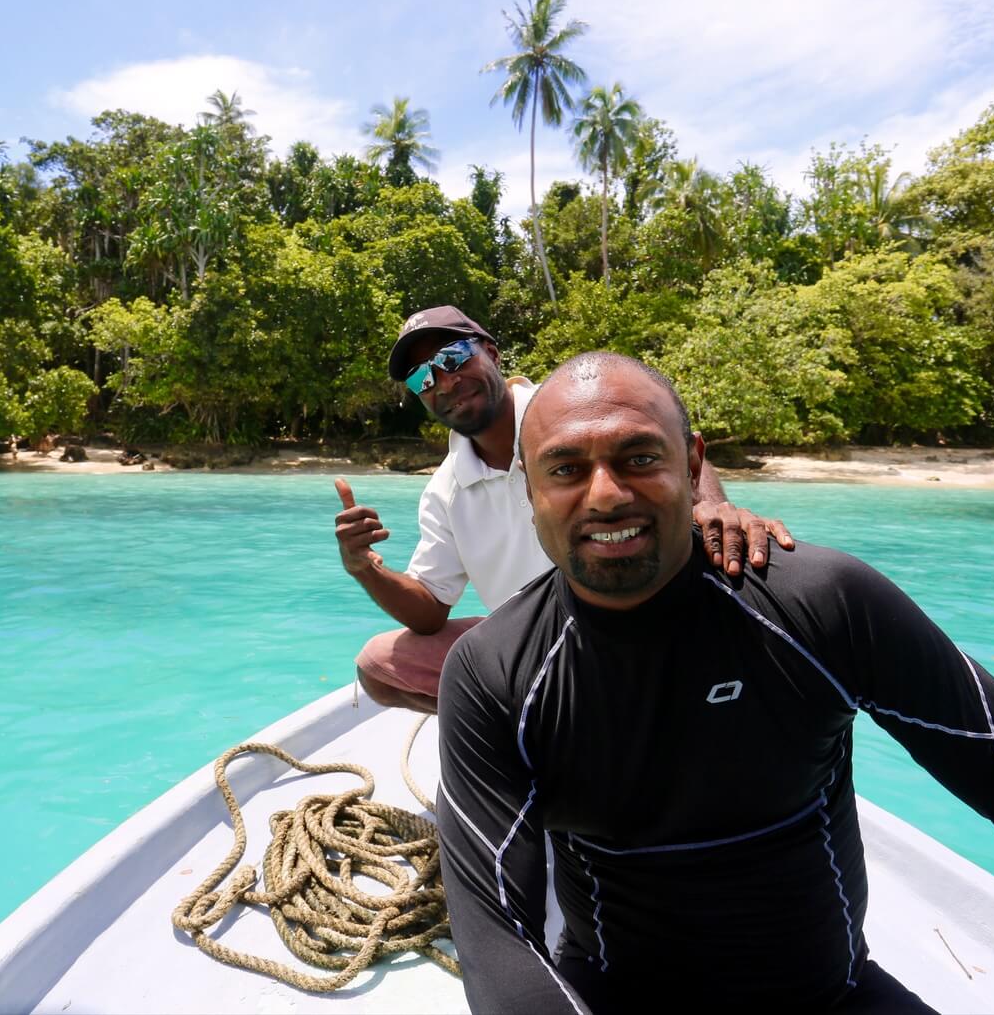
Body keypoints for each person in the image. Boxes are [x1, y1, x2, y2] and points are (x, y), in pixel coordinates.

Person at [435, 352, 994, 1014]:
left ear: (694, 461)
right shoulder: (497, 672)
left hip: (829, 999)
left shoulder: (821, 604)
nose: (607, 494)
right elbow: (495, 932)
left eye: (640, 457)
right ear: (530, 490)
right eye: (566, 468)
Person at [334, 306, 793, 714]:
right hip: (539, 643)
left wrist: (713, 506)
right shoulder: (445, 491)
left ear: (491, 353)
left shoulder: (567, 407)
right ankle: (537, 724)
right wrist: (364, 568)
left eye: (452, 358)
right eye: (421, 378)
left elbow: (671, 447)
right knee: (379, 665)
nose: (443, 381)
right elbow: (430, 611)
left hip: (646, 617)